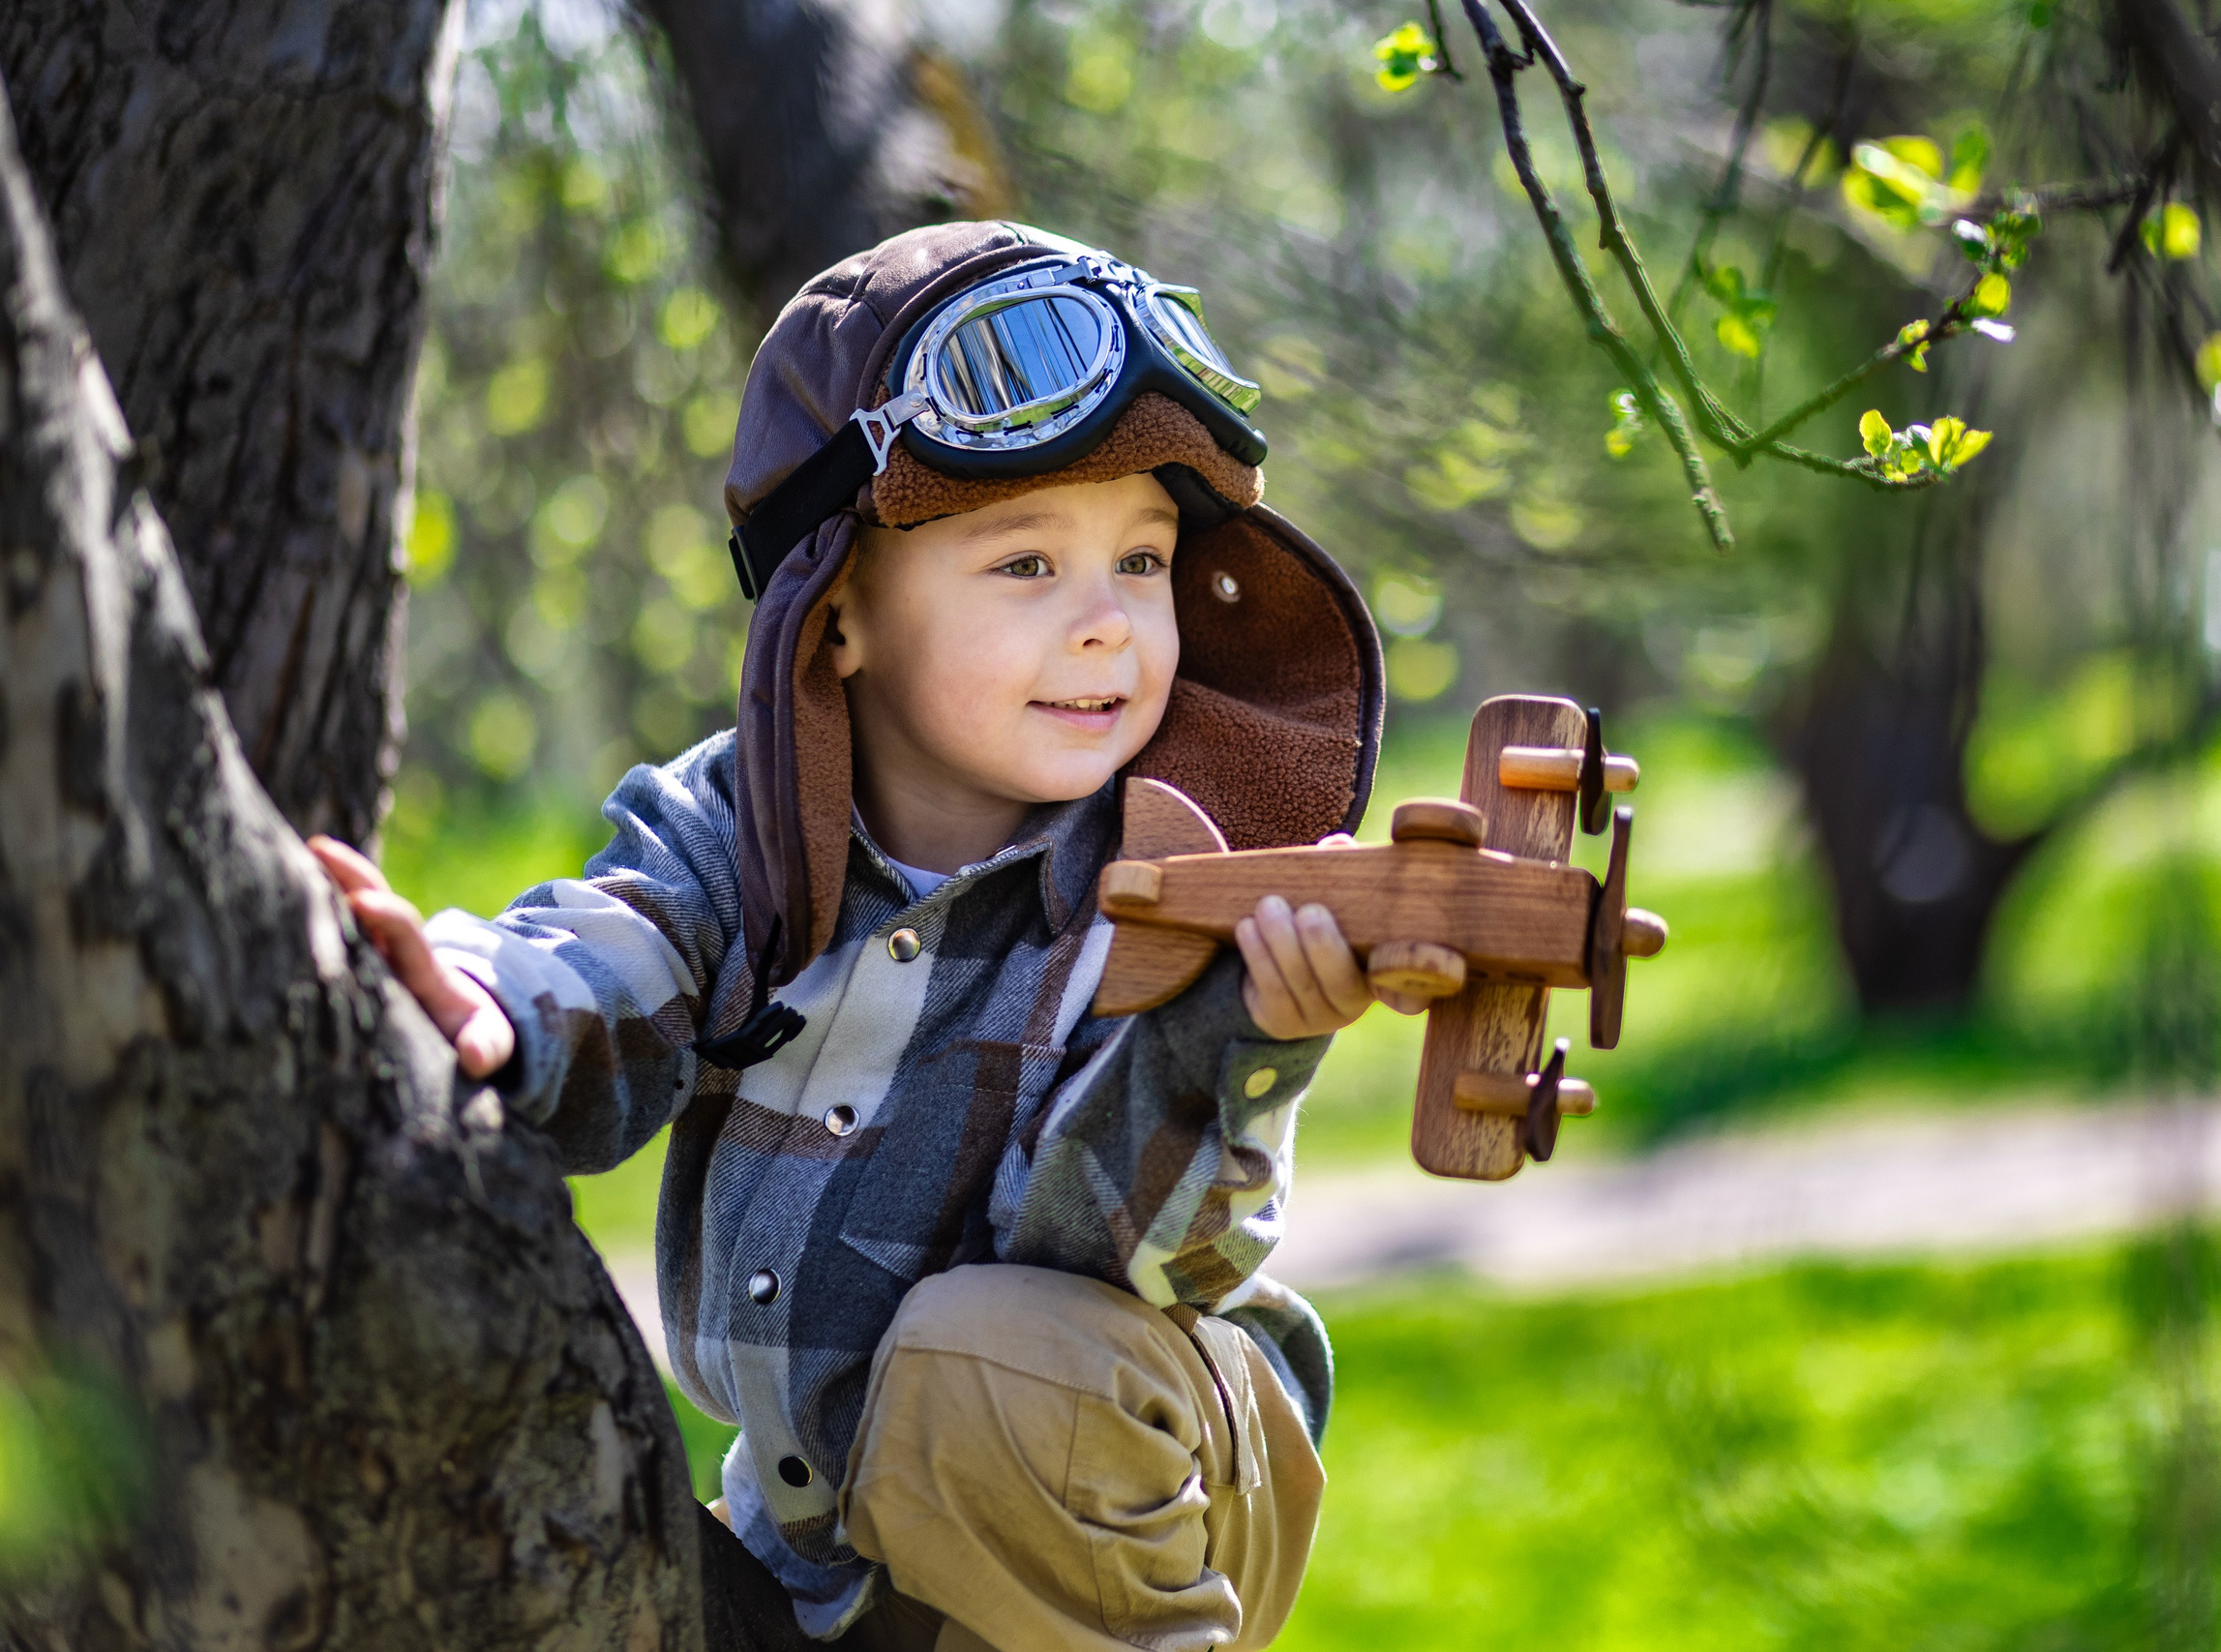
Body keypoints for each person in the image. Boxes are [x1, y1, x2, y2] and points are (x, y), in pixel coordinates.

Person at [309, 221, 1412, 1652]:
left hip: (1131, 1471)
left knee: (990, 1358)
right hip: (837, 1547)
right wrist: (488, 998)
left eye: (1142, 562)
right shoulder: (742, 829)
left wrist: (1238, 1050)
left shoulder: (1170, 875)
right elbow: (619, 942)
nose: (1109, 629)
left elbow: (1103, 1266)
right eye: (1027, 566)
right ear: (836, 617)